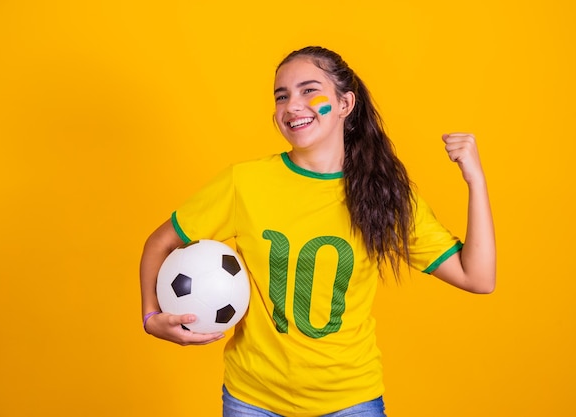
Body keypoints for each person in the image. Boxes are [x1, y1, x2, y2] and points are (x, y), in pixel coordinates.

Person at [139, 46, 496, 417]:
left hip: (350, 402)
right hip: (252, 400)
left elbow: (478, 277)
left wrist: (476, 181)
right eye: (282, 96)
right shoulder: (244, 183)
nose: (292, 105)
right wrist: (151, 317)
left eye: (309, 90)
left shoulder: (383, 196)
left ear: (345, 103)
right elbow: (160, 242)